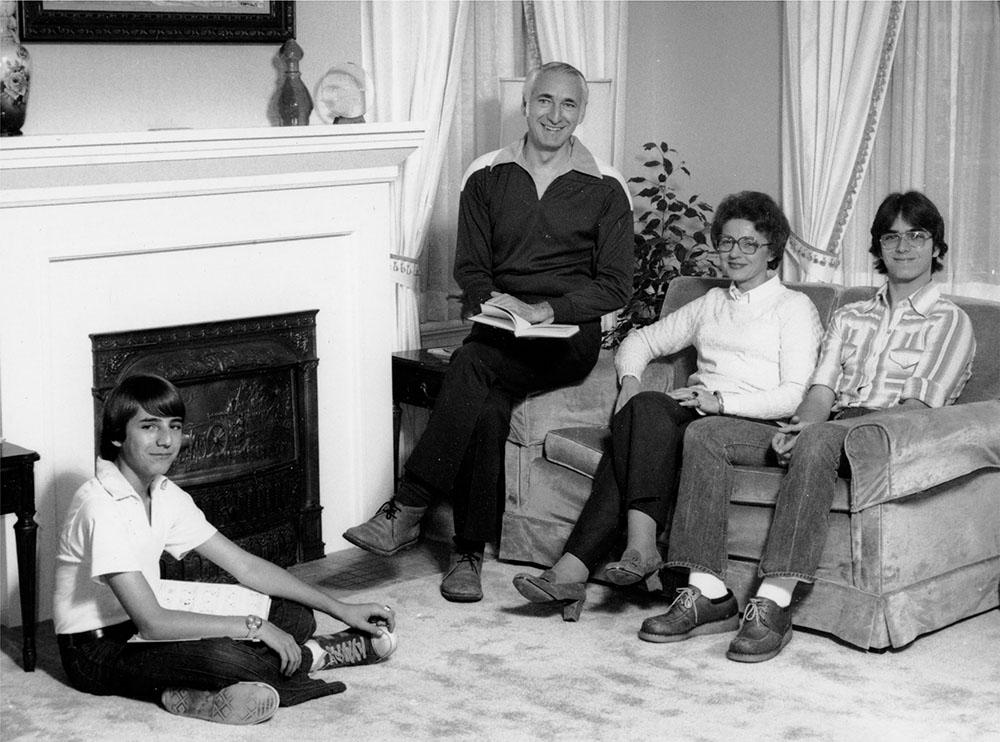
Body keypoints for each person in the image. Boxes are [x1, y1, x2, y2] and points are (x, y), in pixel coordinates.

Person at [342, 62, 634, 603]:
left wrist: (550, 308)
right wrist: (493, 304)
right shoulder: (485, 174)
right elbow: (471, 268)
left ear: (583, 113)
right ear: (525, 105)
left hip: (568, 339)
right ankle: (467, 555)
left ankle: (409, 505)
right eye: (544, 100)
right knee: (488, 401)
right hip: (501, 328)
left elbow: (616, 286)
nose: (555, 114)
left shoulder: (607, 187)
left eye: (569, 105)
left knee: (469, 365)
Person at [644, 190, 976, 662]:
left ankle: (775, 601)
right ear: (878, 248)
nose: (904, 247)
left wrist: (821, 434)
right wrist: (799, 426)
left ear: (936, 248)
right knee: (706, 433)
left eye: (917, 236)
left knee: (818, 441)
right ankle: (708, 591)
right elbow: (821, 391)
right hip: (828, 424)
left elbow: (920, 408)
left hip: (890, 435)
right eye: (891, 236)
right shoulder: (850, 315)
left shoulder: (951, 321)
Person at [512, 191, 824, 620]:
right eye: (727, 242)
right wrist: (630, 383)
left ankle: (576, 568)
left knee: (641, 426)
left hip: (755, 422)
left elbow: (794, 393)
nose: (735, 253)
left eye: (749, 243)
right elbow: (638, 341)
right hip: (697, 410)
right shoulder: (712, 303)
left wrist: (720, 401)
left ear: (773, 251)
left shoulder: (794, 308)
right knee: (643, 408)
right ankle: (637, 551)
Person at [54, 374, 398, 725]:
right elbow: (154, 624)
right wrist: (255, 628)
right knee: (226, 656)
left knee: (295, 616)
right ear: (116, 435)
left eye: (174, 426)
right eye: (149, 426)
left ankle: (192, 693)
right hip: (97, 651)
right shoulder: (100, 505)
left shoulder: (163, 493)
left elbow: (246, 567)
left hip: (148, 618)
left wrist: (340, 608)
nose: (166, 440)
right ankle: (316, 656)